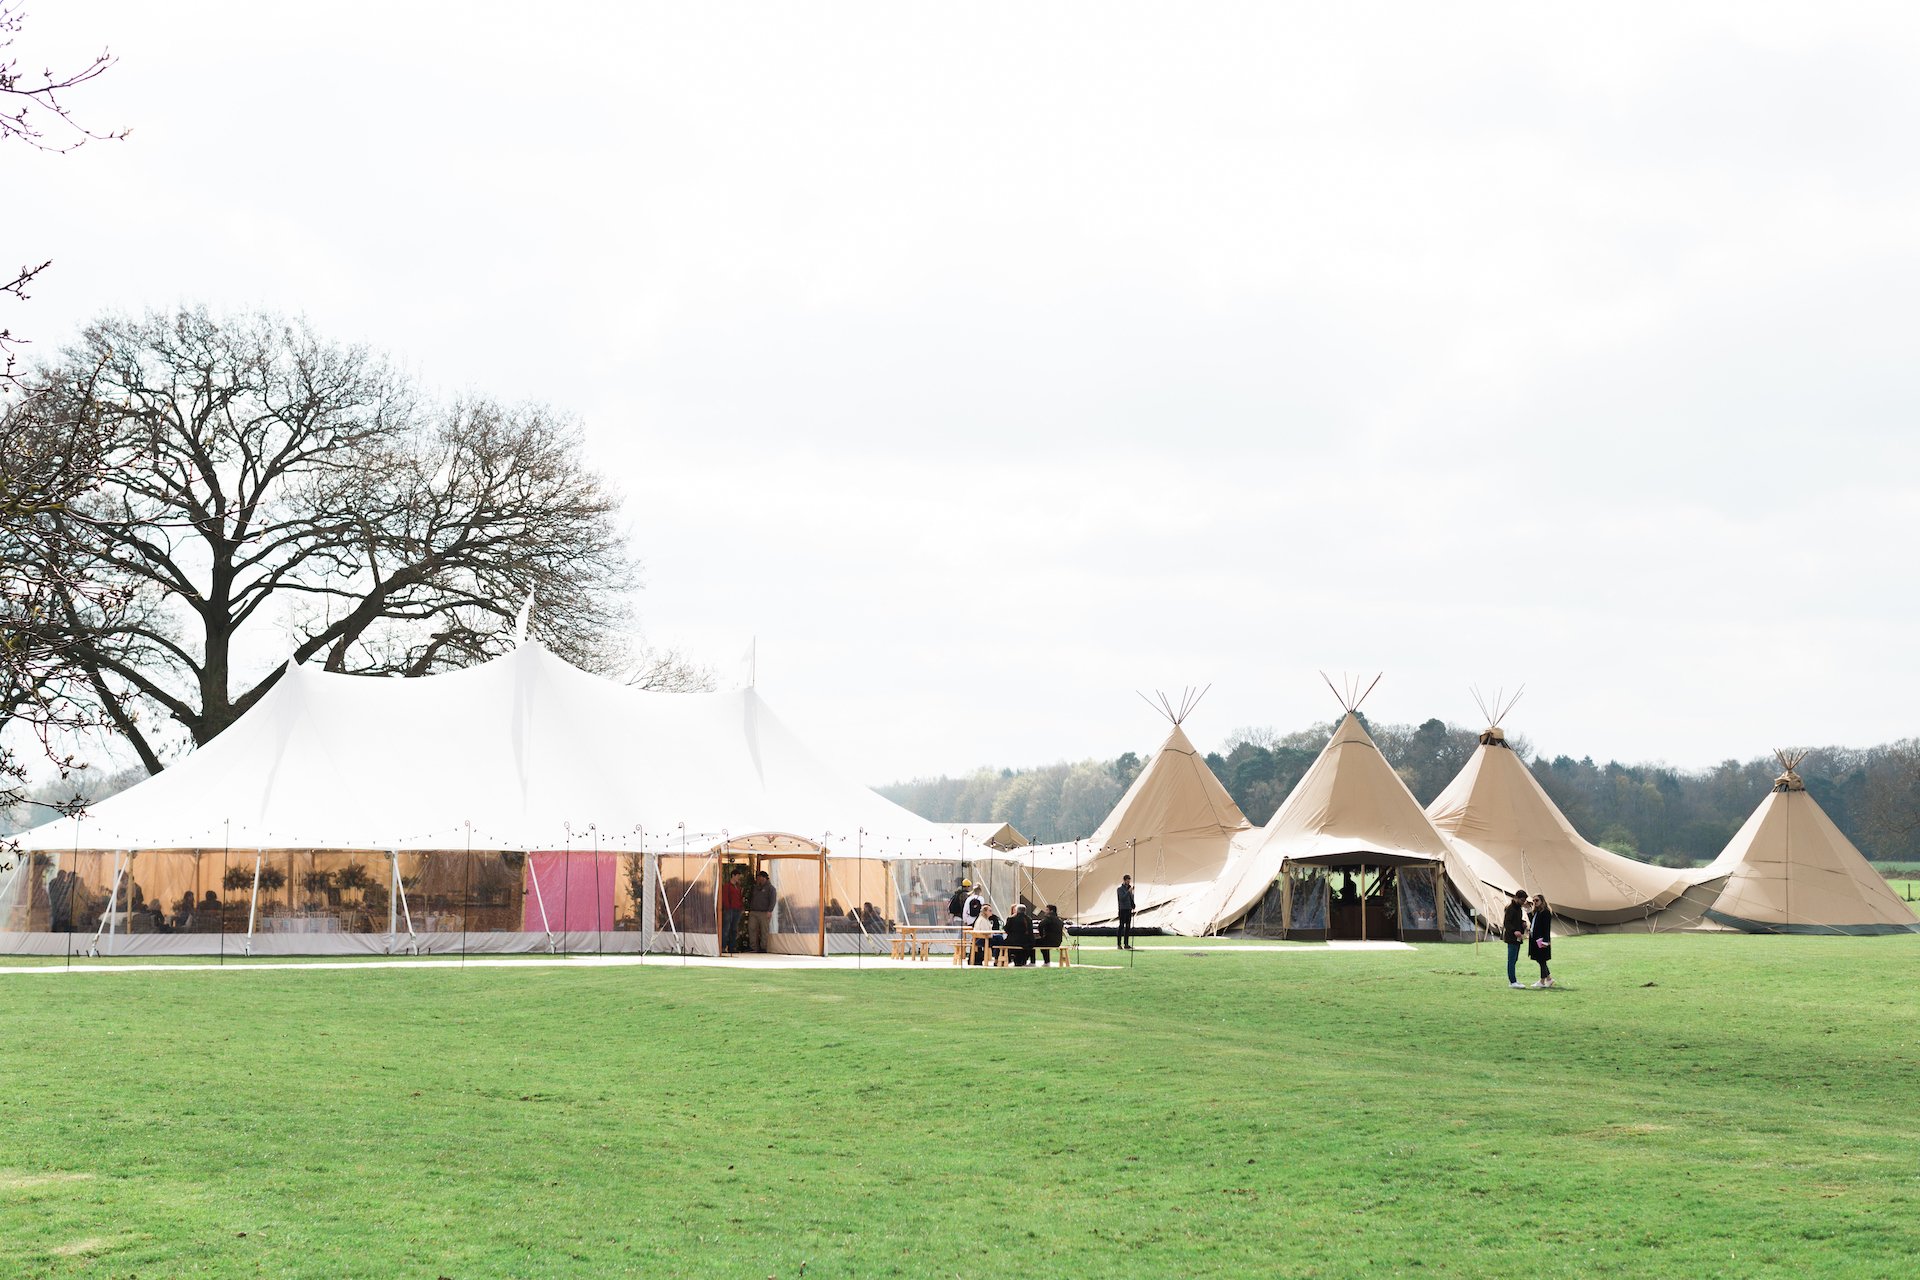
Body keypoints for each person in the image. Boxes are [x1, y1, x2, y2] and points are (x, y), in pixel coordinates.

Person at [1501, 887, 1529, 988]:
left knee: (1514, 959)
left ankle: (1513, 980)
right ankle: (1512, 981)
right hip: (1511, 937)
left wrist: (1522, 923)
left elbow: (1516, 920)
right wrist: (1514, 931)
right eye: (1522, 900)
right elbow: (1506, 922)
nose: (1523, 902)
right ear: (1516, 898)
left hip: (1518, 937)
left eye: (1524, 900)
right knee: (1511, 960)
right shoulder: (1510, 908)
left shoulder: (1518, 908)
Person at [746, 870, 776, 953]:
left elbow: (773, 900)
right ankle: (753, 947)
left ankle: (763, 947)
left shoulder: (771, 888)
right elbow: (750, 898)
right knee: (751, 928)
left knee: (764, 930)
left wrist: (770, 911)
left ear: (764, 878)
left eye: (759, 877)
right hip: (753, 912)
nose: (758, 879)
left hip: (764, 912)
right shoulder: (755, 887)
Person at [1528, 894, 1555, 988]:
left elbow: (1546, 928)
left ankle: (1542, 981)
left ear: (1542, 901)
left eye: (1537, 900)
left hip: (1541, 940)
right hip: (1535, 939)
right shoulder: (1537, 912)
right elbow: (1533, 923)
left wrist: (1546, 941)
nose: (1535, 902)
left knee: (1541, 960)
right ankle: (1549, 979)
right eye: (1533, 900)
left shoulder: (1545, 912)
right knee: (1540, 960)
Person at [720, 871, 746, 955]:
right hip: (729, 909)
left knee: (734, 929)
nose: (738, 878)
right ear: (733, 876)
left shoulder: (738, 887)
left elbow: (739, 897)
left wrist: (741, 907)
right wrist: (727, 907)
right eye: (737, 876)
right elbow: (725, 897)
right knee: (726, 928)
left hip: (737, 909)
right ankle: (723, 946)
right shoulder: (727, 886)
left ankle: (732, 947)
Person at [1115, 874, 1136, 950]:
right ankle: (1118, 944)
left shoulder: (1129, 889)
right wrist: (1128, 892)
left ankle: (1126, 944)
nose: (1128, 882)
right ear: (1124, 880)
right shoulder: (1119, 889)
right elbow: (1122, 899)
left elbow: (1130, 899)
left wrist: (1133, 902)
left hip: (1128, 909)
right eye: (1127, 880)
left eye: (1129, 880)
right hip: (1122, 910)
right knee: (1121, 926)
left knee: (1127, 927)